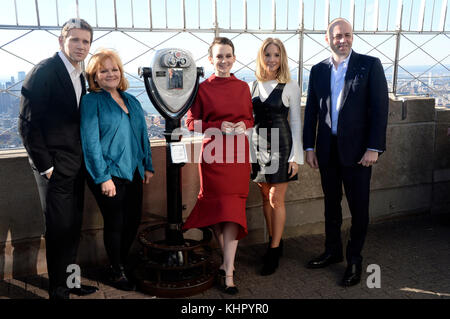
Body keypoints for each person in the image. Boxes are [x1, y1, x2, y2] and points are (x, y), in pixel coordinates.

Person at [303, 18, 389, 286]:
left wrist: (374, 147)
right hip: (327, 151)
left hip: (359, 154)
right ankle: (332, 251)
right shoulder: (317, 70)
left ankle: (354, 259)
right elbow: (312, 113)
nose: (343, 40)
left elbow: (380, 108)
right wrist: (309, 146)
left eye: (347, 35)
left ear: (352, 37)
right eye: (338, 35)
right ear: (327, 38)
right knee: (331, 205)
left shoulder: (369, 65)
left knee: (359, 209)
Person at [18, 18, 98, 299]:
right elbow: (27, 125)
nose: (80, 46)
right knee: (58, 229)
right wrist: (47, 167)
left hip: (76, 165)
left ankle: (72, 282)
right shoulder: (44, 72)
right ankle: (58, 289)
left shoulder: (79, 74)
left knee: (73, 227)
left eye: (86, 41)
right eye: (74, 40)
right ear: (61, 41)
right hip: (54, 167)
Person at [182, 37, 254, 295]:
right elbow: (190, 124)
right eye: (219, 56)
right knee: (216, 209)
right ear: (211, 59)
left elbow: (249, 119)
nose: (224, 61)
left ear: (234, 58)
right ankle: (227, 264)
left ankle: (229, 270)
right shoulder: (201, 88)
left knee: (233, 209)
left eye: (228, 56)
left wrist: (242, 126)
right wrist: (217, 127)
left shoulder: (244, 87)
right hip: (213, 156)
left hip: (237, 155)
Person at [80, 49, 154, 291]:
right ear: (95, 76)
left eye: (114, 69)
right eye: (104, 70)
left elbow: (142, 135)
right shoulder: (92, 101)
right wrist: (103, 178)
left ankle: (121, 262)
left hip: (133, 170)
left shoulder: (130, 99)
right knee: (115, 222)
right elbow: (90, 142)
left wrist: (147, 165)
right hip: (108, 173)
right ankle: (115, 270)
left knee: (132, 220)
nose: (110, 74)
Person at [249, 38, 303, 276]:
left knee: (275, 199)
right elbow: (250, 122)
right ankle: (276, 240)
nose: (272, 59)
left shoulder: (290, 85)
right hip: (258, 146)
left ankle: (273, 250)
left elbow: (296, 123)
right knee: (263, 196)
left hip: (282, 145)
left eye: (277, 55)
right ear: (262, 57)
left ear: (283, 58)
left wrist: (295, 158)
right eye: (268, 54)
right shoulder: (252, 85)